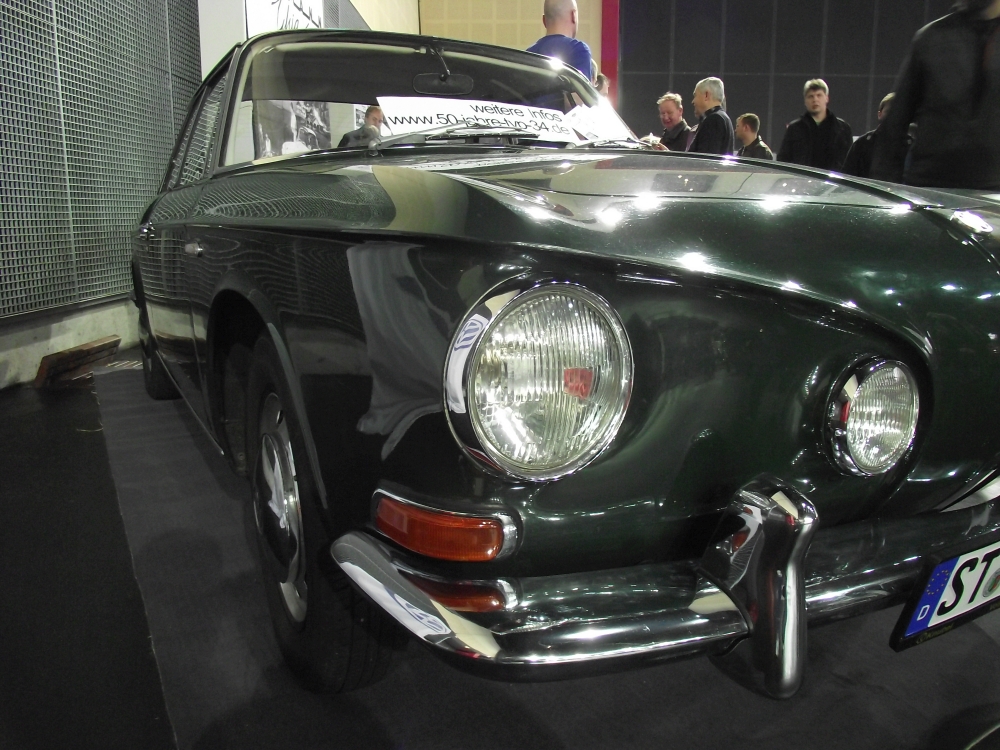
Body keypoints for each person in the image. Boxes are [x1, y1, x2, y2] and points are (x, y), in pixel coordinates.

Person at [871, 0, 1000, 189]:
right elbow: (895, 123)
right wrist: (887, 189)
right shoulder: (932, 38)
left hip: (992, 188)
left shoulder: (931, 36)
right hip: (932, 184)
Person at [777, 79, 853, 170]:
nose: (815, 99)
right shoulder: (794, 129)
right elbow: (783, 160)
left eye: (819, 95)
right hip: (802, 179)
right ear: (805, 101)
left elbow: (850, 163)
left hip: (833, 179)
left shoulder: (843, 129)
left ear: (827, 98)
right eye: (810, 96)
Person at [526, 0, 591, 79]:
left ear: (544, 20)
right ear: (573, 15)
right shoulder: (579, 50)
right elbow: (580, 86)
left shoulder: (527, 54)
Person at [841, 93, 894, 178]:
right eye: (888, 112)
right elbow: (847, 178)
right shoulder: (861, 145)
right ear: (879, 114)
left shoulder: (910, 147)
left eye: (898, 112)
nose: (893, 116)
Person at [688, 77, 734, 155]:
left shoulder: (713, 120)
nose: (693, 101)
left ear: (706, 95)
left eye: (695, 95)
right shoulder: (723, 118)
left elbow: (704, 159)